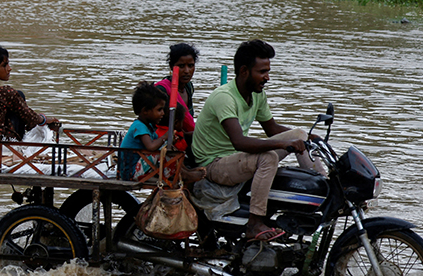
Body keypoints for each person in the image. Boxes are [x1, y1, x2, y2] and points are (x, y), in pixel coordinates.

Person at [191, 39, 325, 242]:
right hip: (214, 165)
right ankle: (254, 223)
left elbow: (271, 129)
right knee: (268, 158)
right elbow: (240, 142)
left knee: (298, 134)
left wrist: (308, 137)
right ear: (244, 71)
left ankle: (325, 188)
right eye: (262, 72)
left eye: (267, 71)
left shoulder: (257, 95)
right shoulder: (225, 97)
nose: (267, 77)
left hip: (235, 159)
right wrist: (281, 144)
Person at [118, 81, 168, 181]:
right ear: (145, 111)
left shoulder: (148, 126)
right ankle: (179, 174)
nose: (163, 113)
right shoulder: (139, 126)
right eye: (159, 110)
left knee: (167, 147)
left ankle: (182, 172)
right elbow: (151, 146)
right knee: (163, 150)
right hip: (130, 173)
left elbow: (157, 142)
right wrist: (165, 136)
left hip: (138, 167)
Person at [155, 43, 199, 137]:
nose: (187, 71)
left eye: (190, 66)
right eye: (181, 66)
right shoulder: (162, 90)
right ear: (172, 66)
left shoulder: (189, 87)